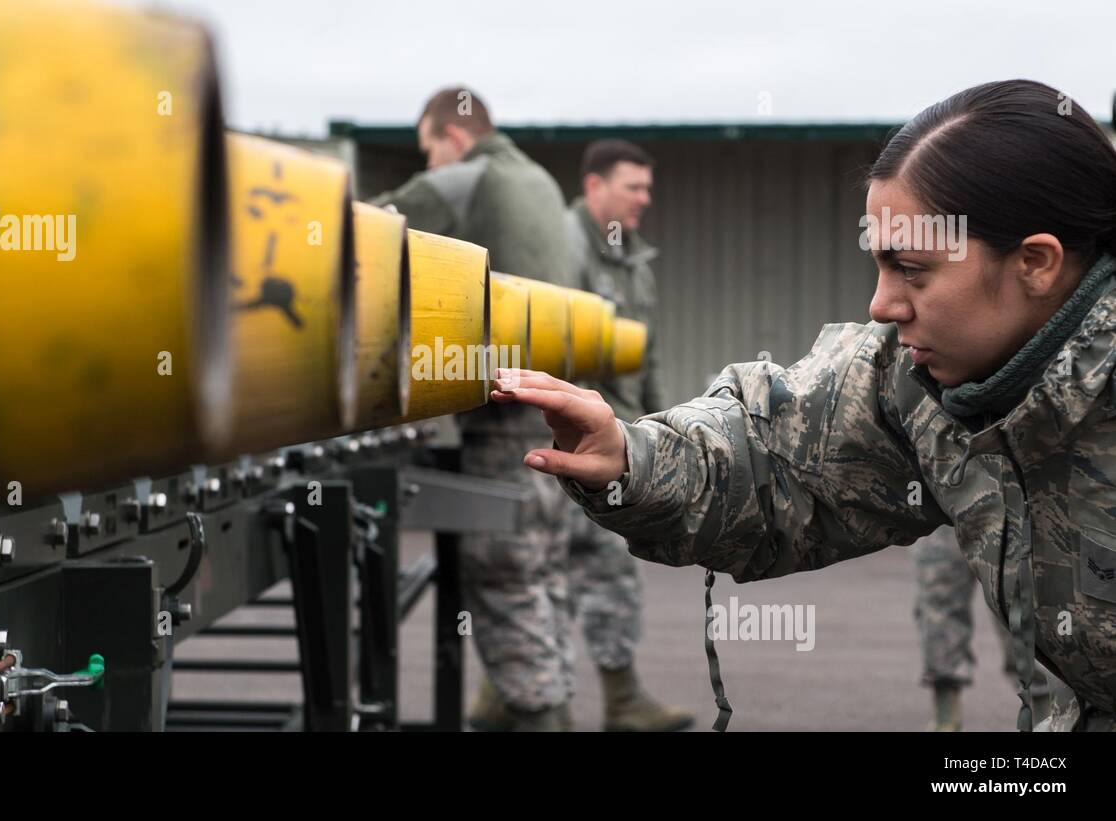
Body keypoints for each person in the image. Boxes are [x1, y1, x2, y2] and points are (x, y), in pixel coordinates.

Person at [491, 79, 1116, 731]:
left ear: (1037, 263)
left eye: (913, 269)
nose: (881, 304)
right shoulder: (923, 385)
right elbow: (779, 454)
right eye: (879, 265)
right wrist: (629, 456)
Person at [371, 87, 577, 730]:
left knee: (500, 569)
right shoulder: (542, 183)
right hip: (554, 404)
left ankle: (541, 716)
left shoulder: (464, 178)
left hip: (502, 417)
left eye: (427, 149)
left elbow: (359, 229)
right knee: (541, 567)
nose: (428, 163)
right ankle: (539, 701)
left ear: (453, 139)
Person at [564, 139, 692, 731]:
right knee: (556, 571)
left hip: (620, 438)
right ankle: (549, 702)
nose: (645, 198)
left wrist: (659, 427)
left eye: (648, 187)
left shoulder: (632, 260)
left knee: (586, 569)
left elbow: (650, 352)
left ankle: (611, 698)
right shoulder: (561, 249)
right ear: (595, 186)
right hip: (568, 440)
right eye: (632, 187)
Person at [913, 526, 1049, 730]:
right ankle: (946, 716)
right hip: (941, 511)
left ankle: (1045, 714)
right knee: (939, 600)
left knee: (1018, 601)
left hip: (1003, 506)